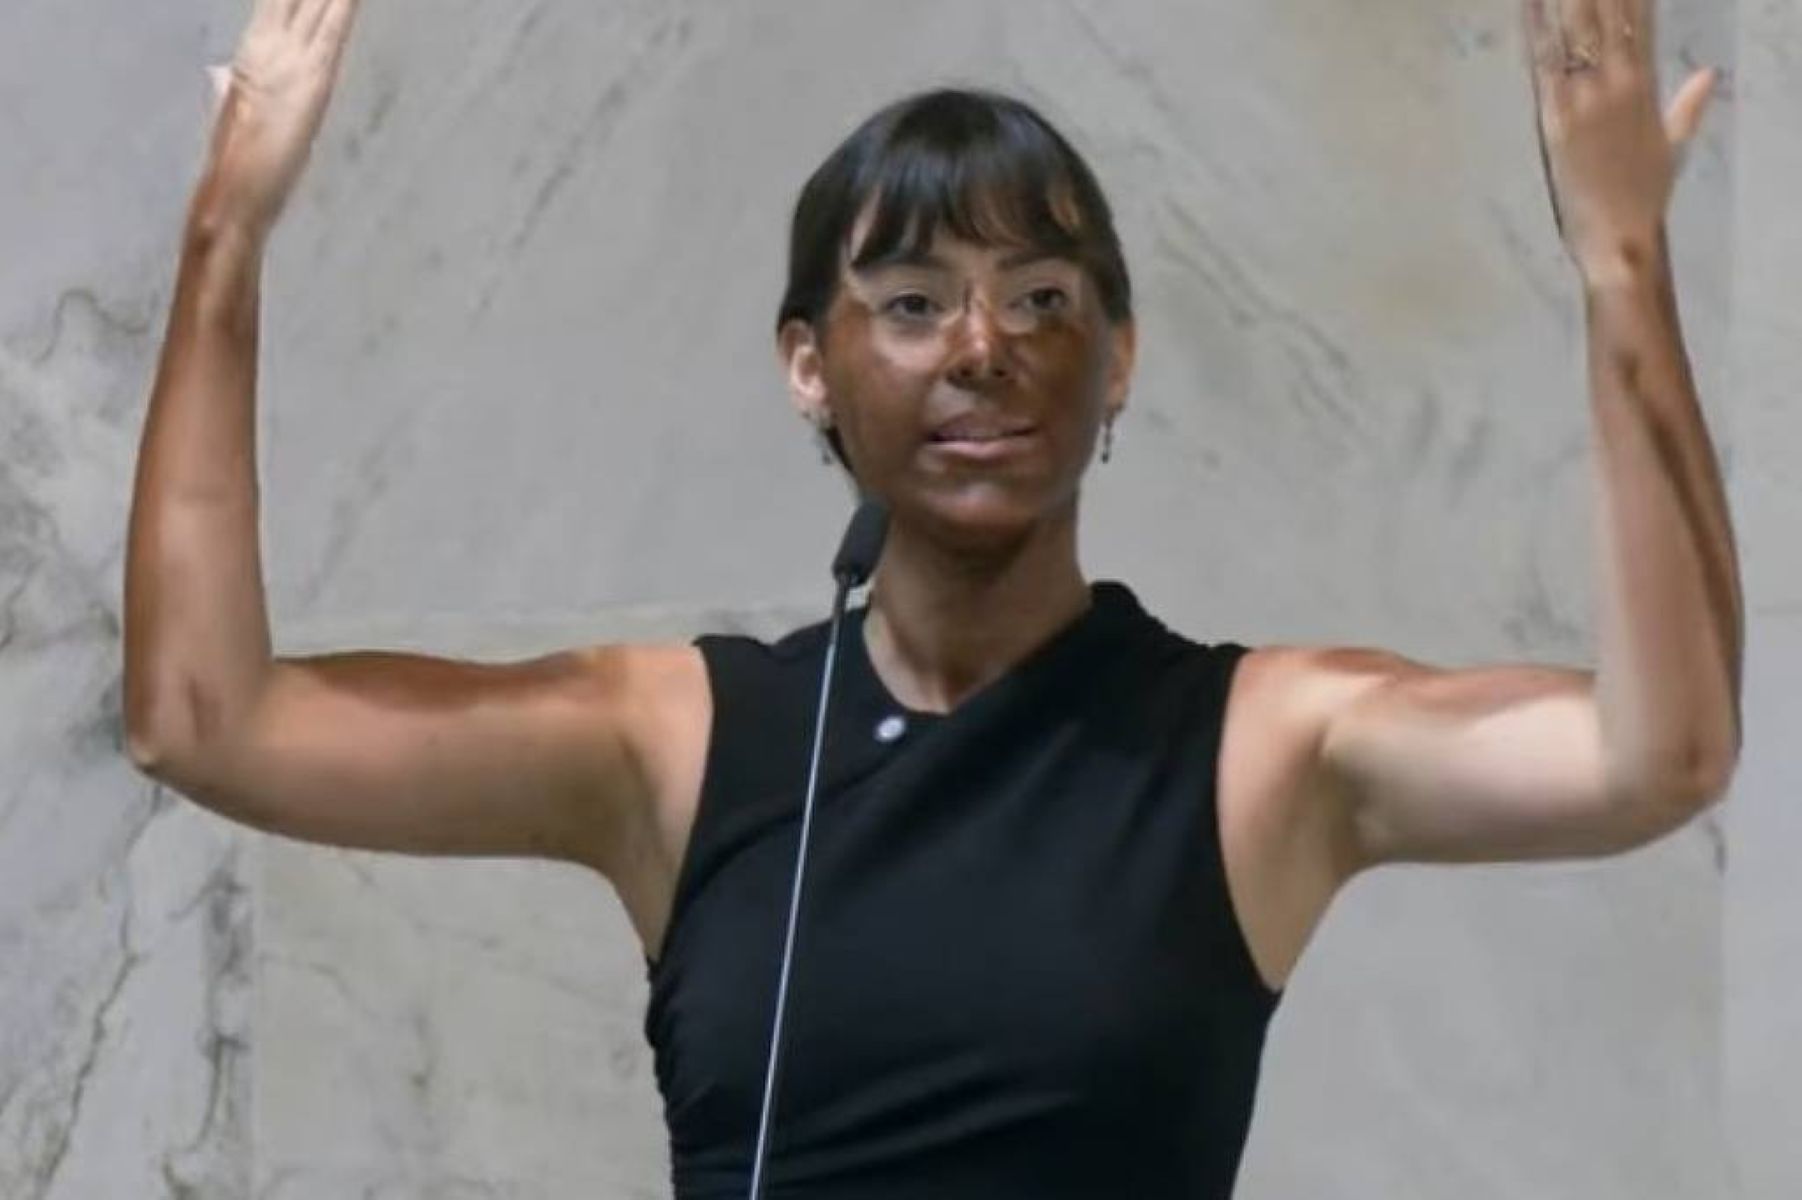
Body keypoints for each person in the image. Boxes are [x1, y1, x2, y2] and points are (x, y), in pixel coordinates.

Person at [122, 0, 1743, 1196]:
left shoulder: (1260, 745)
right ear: (807, 366)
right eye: (910, 303)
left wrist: (1618, 268)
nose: (981, 349)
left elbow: (1656, 754)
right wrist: (224, 238)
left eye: (1040, 299)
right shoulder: (674, 743)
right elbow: (207, 722)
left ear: (1117, 359)